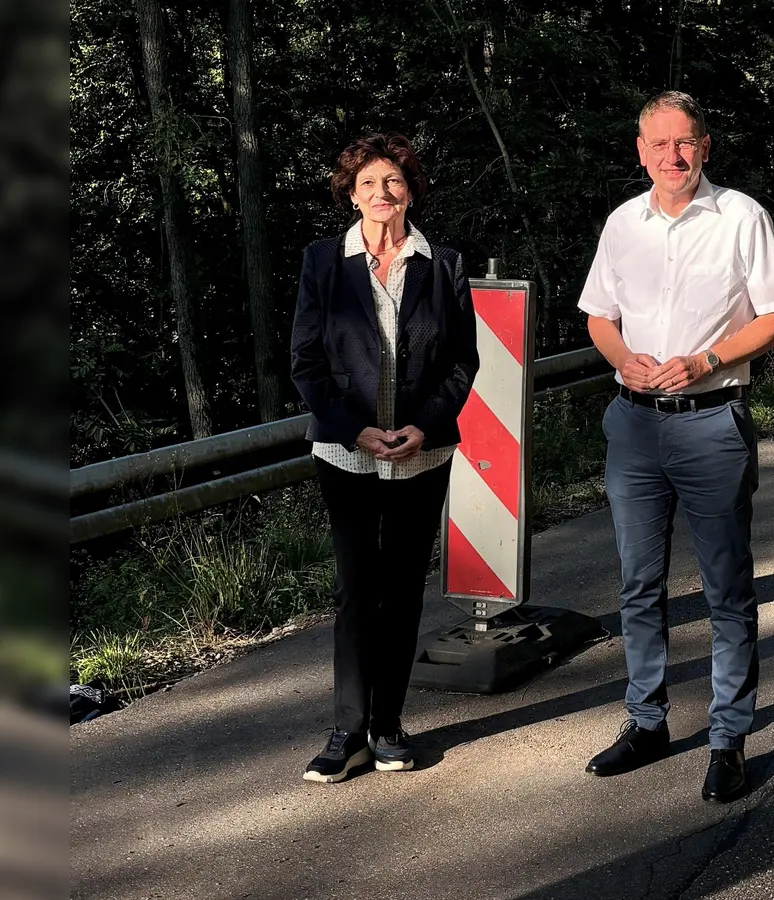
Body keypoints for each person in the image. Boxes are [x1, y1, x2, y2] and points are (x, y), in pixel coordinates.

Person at [578, 91, 774, 802]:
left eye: (686, 143)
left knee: (726, 588)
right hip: (634, 423)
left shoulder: (741, 217)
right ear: (640, 152)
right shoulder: (621, 224)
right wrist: (624, 358)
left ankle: (729, 736)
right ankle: (647, 722)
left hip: (711, 421)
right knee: (638, 587)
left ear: (706, 147)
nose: (673, 157)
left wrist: (705, 360)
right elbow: (599, 317)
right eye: (660, 145)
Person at [290, 133, 479, 783]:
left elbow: (463, 362)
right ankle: (347, 731)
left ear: (410, 190)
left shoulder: (444, 263)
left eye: (392, 181)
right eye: (368, 182)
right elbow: (307, 364)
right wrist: (356, 430)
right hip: (347, 453)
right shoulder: (322, 261)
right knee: (354, 591)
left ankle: (389, 724)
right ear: (350, 191)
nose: (381, 193)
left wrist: (424, 427)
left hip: (422, 453)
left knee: (400, 591)